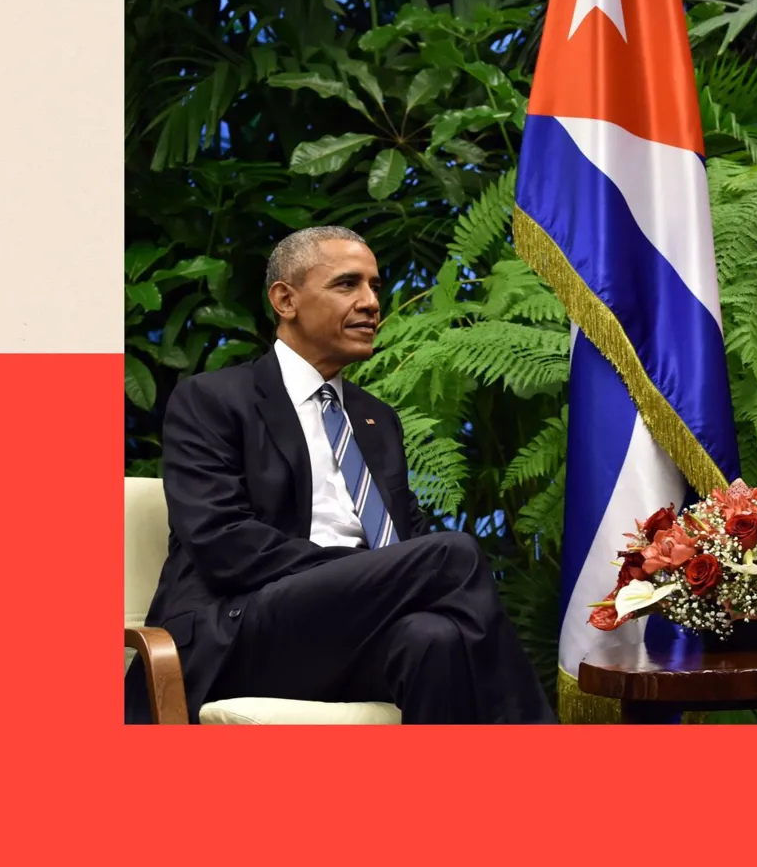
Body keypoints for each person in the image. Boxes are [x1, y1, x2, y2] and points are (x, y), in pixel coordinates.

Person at [125, 226, 555, 724]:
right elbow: (224, 546)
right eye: (348, 284)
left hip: (345, 635)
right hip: (242, 626)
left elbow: (405, 534)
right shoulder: (213, 400)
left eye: (375, 286)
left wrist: (374, 581)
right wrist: (353, 574)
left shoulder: (376, 419)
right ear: (286, 300)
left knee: (432, 639)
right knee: (452, 553)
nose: (372, 303)